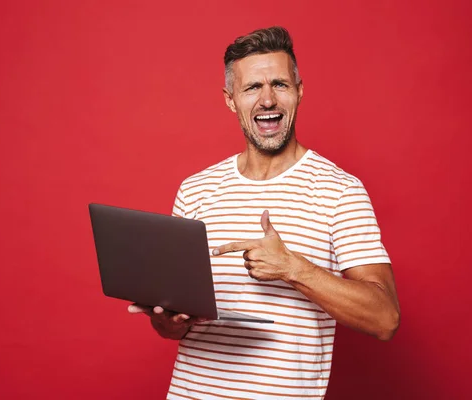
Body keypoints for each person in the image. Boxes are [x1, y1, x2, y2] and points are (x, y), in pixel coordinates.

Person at [129, 26, 400, 400]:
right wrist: (166, 320)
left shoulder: (340, 190)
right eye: (252, 87)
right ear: (230, 99)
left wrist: (292, 267)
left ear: (299, 92)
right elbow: (176, 330)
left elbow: (385, 318)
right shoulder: (195, 190)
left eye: (280, 85)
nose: (267, 100)